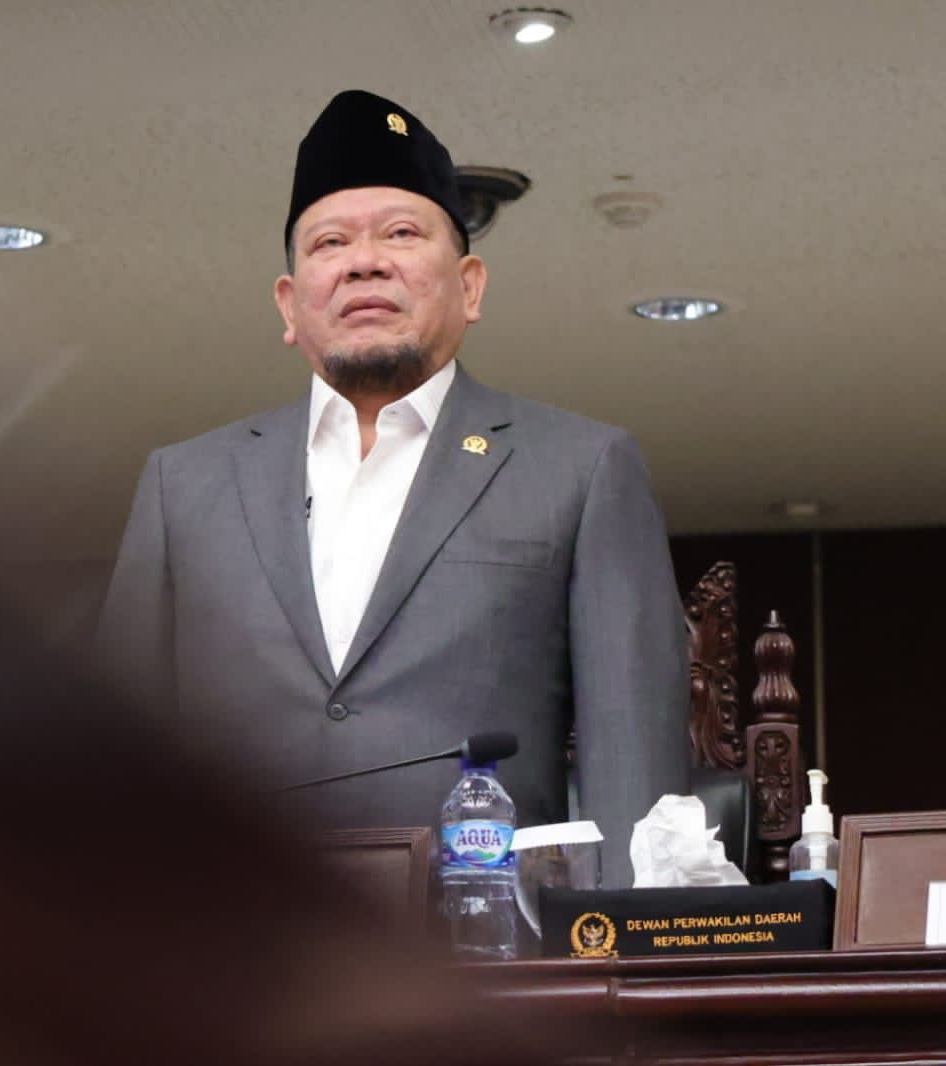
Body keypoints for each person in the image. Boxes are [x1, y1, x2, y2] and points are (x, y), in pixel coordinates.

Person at [97, 89, 688, 888]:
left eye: (401, 234)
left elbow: (631, 747)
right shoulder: (185, 483)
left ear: (469, 286)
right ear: (288, 304)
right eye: (328, 242)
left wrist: (626, 940)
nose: (363, 261)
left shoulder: (579, 467)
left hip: (489, 931)